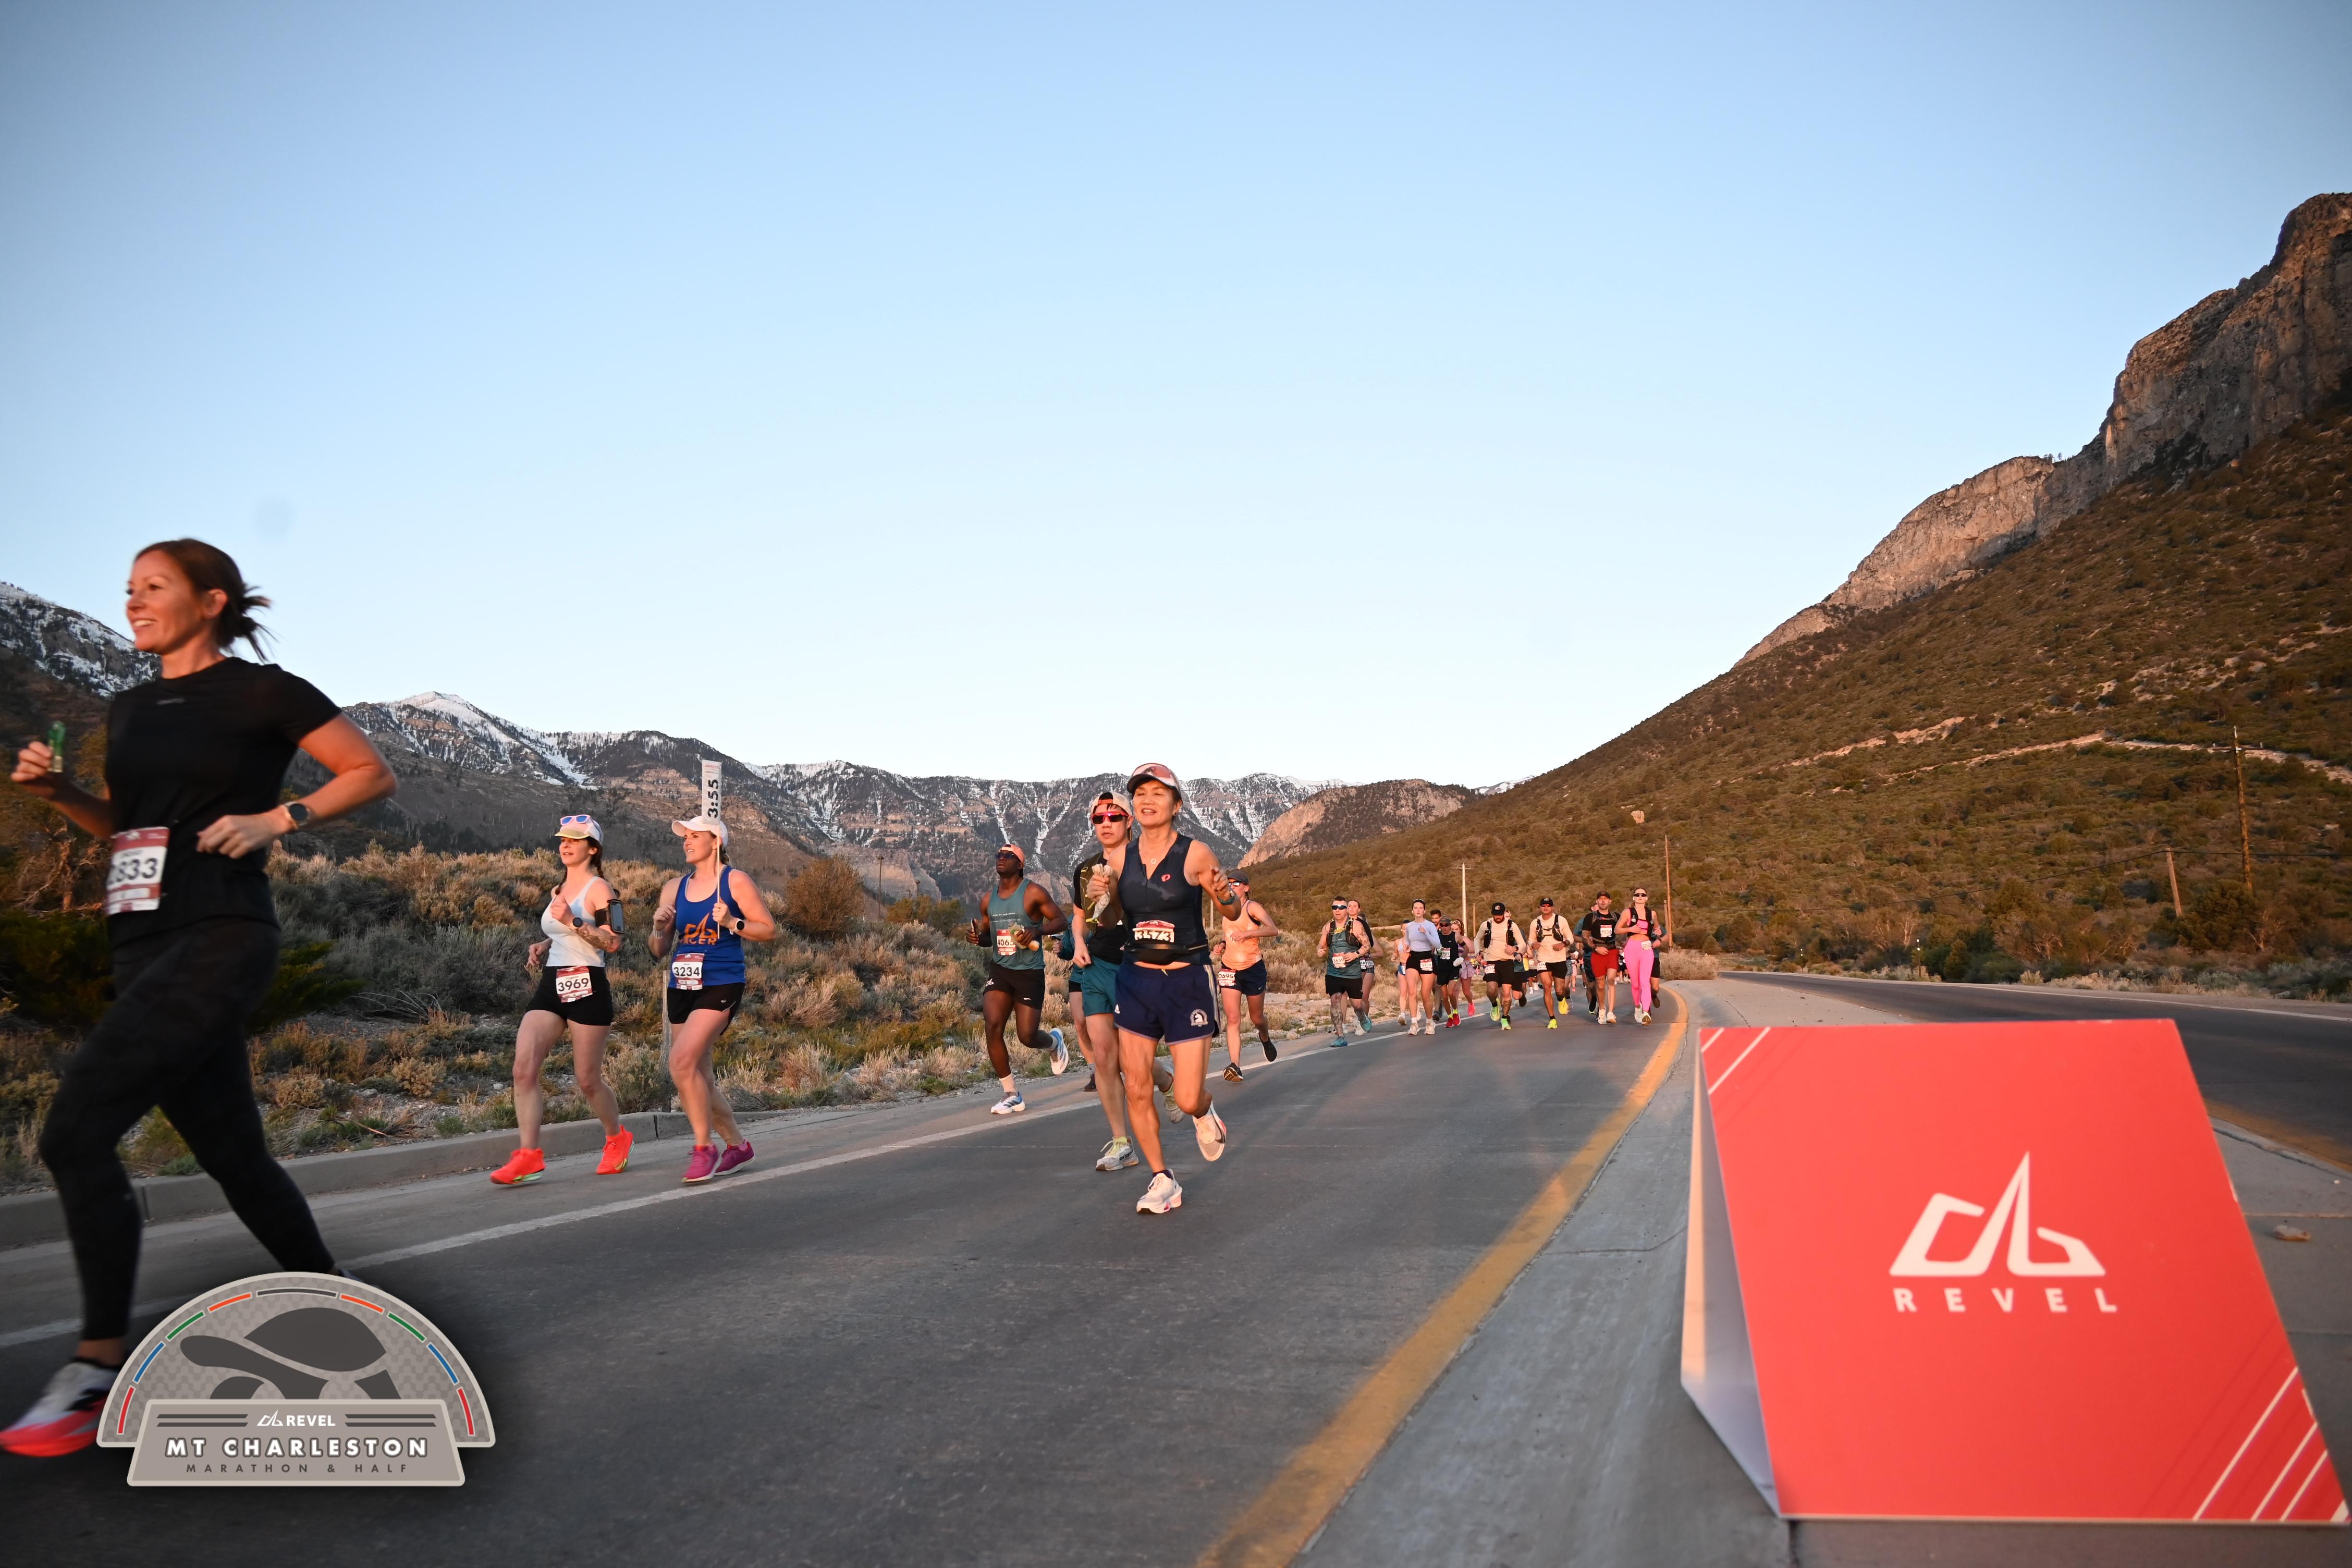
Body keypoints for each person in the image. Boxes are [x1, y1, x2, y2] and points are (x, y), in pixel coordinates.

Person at [3, 540, 397, 1458]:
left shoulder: (262, 691)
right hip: (140, 940)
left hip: (221, 934)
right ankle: (342, 1300)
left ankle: (96, 1368)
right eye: (129, 589)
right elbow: (131, 827)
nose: (134, 601)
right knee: (235, 1157)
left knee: (74, 1132)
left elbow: (370, 771)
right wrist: (61, 794)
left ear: (211, 600)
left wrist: (275, 819)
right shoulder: (130, 706)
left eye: (155, 587)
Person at [1095, 764, 1242, 1215]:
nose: (1147, 800)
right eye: (1140, 793)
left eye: (1158, 793)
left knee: (1186, 1096)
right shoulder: (1119, 859)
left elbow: (1232, 911)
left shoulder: (1195, 853)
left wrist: (1224, 893)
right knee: (1137, 1085)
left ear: (1176, 805)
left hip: (1186, 981)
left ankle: (1204, 1111)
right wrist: (1103, 896)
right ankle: (1163, 1178)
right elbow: (1109, 921)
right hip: (1136, 979)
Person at [490, 815, 632, 1185]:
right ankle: (529, 1156)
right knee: (523, 1070)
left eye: (575, 840)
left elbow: (613, 942)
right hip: (552, 985)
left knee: (587, 1080)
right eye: (562, 839)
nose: (565, 845)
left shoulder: (601, 890)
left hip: (588, 985)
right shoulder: (559, 888)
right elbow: (564, 932)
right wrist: (545, 943)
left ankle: (617, 1138)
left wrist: (572, 922)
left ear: (593, 849)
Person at [652, 815, 777, 1181]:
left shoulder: (734, 881)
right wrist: (658, 929)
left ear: (716, 842)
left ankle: (703, 1148)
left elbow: (768, 930)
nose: (687, 841)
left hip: (721, 982)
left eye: (695, 836)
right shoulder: (674, 887)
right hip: (682, 984)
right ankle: (738, 1146)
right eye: (685, 836)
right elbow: (658, 949)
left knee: (681, 1062)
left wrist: (733, 923)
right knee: (700, 1074)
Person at [1069, 793, 1175, 1170]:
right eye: (1099, 818)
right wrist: (1079, 942)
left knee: (1134, 1061)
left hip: (1135, 965)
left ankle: (1166, 1081)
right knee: (1103, 1057)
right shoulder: (1085, 870)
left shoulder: (1145, 861)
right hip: (1097, 965)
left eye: (1114, 816)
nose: (1106, 823)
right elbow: (1080, 916)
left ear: (1129, 821)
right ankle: (1121, 1143)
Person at [964, 843, 1069, 1116]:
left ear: (1020, 864)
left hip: (1029, 972)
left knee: (1027, 1036)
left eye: (1008, 856)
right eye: (999, 855)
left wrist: (1037, 931)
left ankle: (1054, 1043)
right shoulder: (988, 900)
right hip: (1001, 970)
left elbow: (1061, 921)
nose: (1001, 859)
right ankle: (1012, 1093)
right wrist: (977, 938)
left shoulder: (1033, 892)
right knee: (992, 1025)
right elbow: (989, 939)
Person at [1212, 871, 1279, 1080]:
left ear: (1246, 887)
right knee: (1233, 1018)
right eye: (1230, 883)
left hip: (1252, 968)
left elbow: (1273, 930)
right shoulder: (1227, 908)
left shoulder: (1252, 907)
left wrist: (1248, 933)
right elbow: (1229, 934)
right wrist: (1222, 945)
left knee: (1256, 1018)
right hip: (1229, 968)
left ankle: (1265, 1036)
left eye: (1237, 883)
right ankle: (1235, 1066)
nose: (1232, 886)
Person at [1317, 898, 1370, 1040]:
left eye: (1341, 907)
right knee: (1335, 1002)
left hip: (1352, 973)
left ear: (1347, 910)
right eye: (1335, 907)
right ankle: (1340, 1036)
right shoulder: (1329, 927)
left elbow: (1367, 945)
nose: (1338, 910)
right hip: (1333, 972)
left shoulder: (1356, 925)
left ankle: (1361, 1016)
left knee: (1357, 1005)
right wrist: (1320, 950)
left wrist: (1355, 954)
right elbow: (1321, 945)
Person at [1527, 897, 1577, 1031]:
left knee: (1560, 990)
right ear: (1540, 908)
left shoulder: (1561, 920)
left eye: (1548, 905)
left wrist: (1563, 944)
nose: (1546, 907)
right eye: (1543, 905)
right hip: (1543, 959)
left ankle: (1561, 999)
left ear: (1552, 908)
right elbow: (1530, 939)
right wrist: (1533, 944)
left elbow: (1570, 938)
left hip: (1559, 959)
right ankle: (1552, 1019)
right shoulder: (1535, 923)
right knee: (1547, 987)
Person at [1475, 902, 1527, 1029]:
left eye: (1500, 914)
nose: (1497, 917)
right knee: (1491, 989)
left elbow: (1523, 944)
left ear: (1504, 913)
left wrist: (1515, 948)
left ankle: (1505, 1018)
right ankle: (1494, 1004)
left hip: (1507, 962)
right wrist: (1477, 952)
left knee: (1506, 993)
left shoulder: (1512, 926)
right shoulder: (1486, 925)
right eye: (1495, 914)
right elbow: (1477, 939)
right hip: (1491, 962)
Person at [1620, 886, 1665, 1024]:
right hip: (1632, 948)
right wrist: (1630, 929)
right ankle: (1637, 1006)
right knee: (1636, 984)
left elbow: (1657, 928)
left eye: (1643, 895)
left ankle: (1646, 1012)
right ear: (1634, 898)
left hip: (1646, 948)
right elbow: (1617, 929)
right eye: (1638, 895)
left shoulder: (1652, 914)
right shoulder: (1628, 913)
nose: (1640, 897)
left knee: (1645, 982)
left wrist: (1658, 933)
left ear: (1647, 898)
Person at [1578, 893, 1624, 1023]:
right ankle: (1602, 1008)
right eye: (1600, 899)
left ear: (1610, 901)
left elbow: (1623, 931)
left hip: (1612, 951)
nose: (1603, 901)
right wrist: (1595, 948)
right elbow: (1585, 936)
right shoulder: (1591, 917)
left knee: (1611, 980)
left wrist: (1623, 941)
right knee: (1600, 983)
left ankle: (1611, 1013)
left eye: (1605, 899)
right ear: (1597, 902)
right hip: (1597, 952)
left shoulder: (1616, 917)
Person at [1401, 899, 1444, 1034]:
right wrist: (1407, 946)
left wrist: (1426, 933)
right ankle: (1414, 1023)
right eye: (1416, 908)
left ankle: (1430, 1022)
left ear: (1424, 911)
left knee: (1425, 994)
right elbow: (1408, 941)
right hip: (1413, 958)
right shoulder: (1409, 926)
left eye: (1421, 908)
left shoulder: (1430, 925)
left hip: (1427, 958)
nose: (1418, 910)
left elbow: (1438, 945)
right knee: (1411, 992)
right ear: (1412, 911)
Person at [1346, 897, 1377, 1032]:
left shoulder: (1362, 924)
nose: (1352, 908)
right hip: (1349, 962)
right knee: (1352, 995)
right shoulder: (1343, 924)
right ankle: (1358, 1018)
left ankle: (1363, 1023)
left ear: (1359, 909)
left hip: (1364, 961)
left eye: (1355, 906)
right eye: (1349, 906)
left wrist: (1358, 948)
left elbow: (1371, 943)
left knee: (1363, 995)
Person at [1433, 914, 1466, 1027]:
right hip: (1442, 969)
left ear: (1449, 925)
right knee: (1445, 996)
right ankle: (1450, 1017)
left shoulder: (1456, 936)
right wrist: (1435, 952)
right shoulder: (1437, 937)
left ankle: (1456, 1012)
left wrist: (1461, 959)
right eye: (1442, 925)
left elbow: (1466, 948)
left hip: (1453, 968)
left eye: (1446, 925)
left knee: (1451, 992)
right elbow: (1432, 949)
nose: (1444, 927)